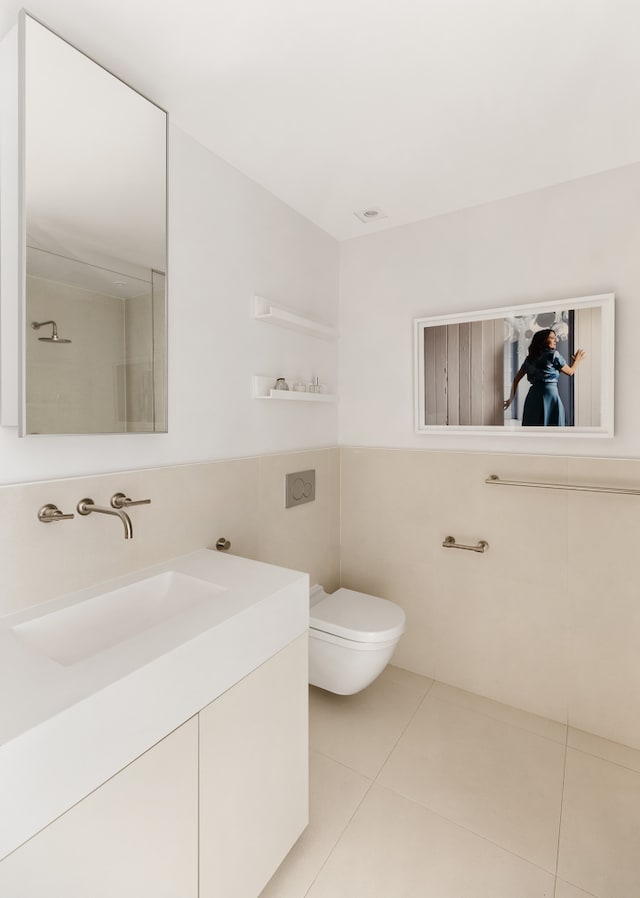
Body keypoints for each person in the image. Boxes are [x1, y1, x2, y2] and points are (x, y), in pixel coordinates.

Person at [504, 329, 586, 426]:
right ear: (543, 341)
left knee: (533, 429)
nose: (555, 340)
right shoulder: (554, 355)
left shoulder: (530, 358)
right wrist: (577, 360)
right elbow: (570, 372)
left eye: (555, 338)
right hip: (550, 396)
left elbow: (516, 379)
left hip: (533, 397)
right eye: (552, 338)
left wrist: (510, 400)